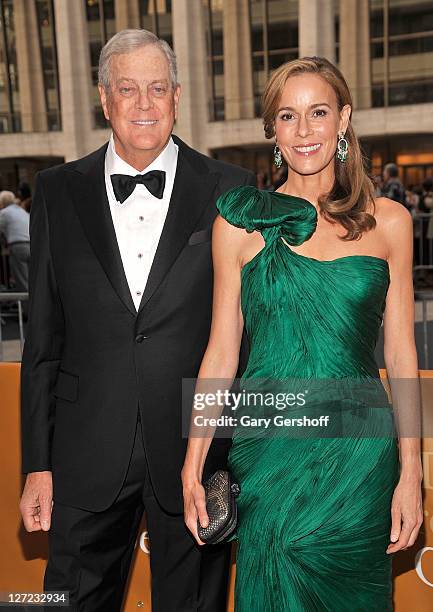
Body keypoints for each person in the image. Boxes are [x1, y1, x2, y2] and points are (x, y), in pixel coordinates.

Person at [19, 29, 254, 612]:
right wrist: (37, 465)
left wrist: (240, 450)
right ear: (104, 100)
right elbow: (44, 341)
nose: (144, 104)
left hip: (195, 452)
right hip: (83, 453)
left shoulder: (231, 188)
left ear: (177, 98)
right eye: (128, 89)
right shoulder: (54, 191)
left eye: (156, 89)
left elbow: (244, 341)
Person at [183, 57, 423, 610]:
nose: (304, 130)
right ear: (273, 131)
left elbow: (401, 352)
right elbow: (220, 350)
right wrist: (194, 460)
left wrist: (412, 472)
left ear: (344, 119)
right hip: (270, 451)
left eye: (318, 112)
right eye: (288, 117)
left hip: (359, 459)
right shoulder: (239, 224)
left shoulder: (389, 222)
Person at [0, 190, 30, 296]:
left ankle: (28, 311)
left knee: (23, 281)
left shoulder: (4, 213)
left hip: (18, 246)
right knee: (32, 279)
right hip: (33, 245)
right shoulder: (22, 211)